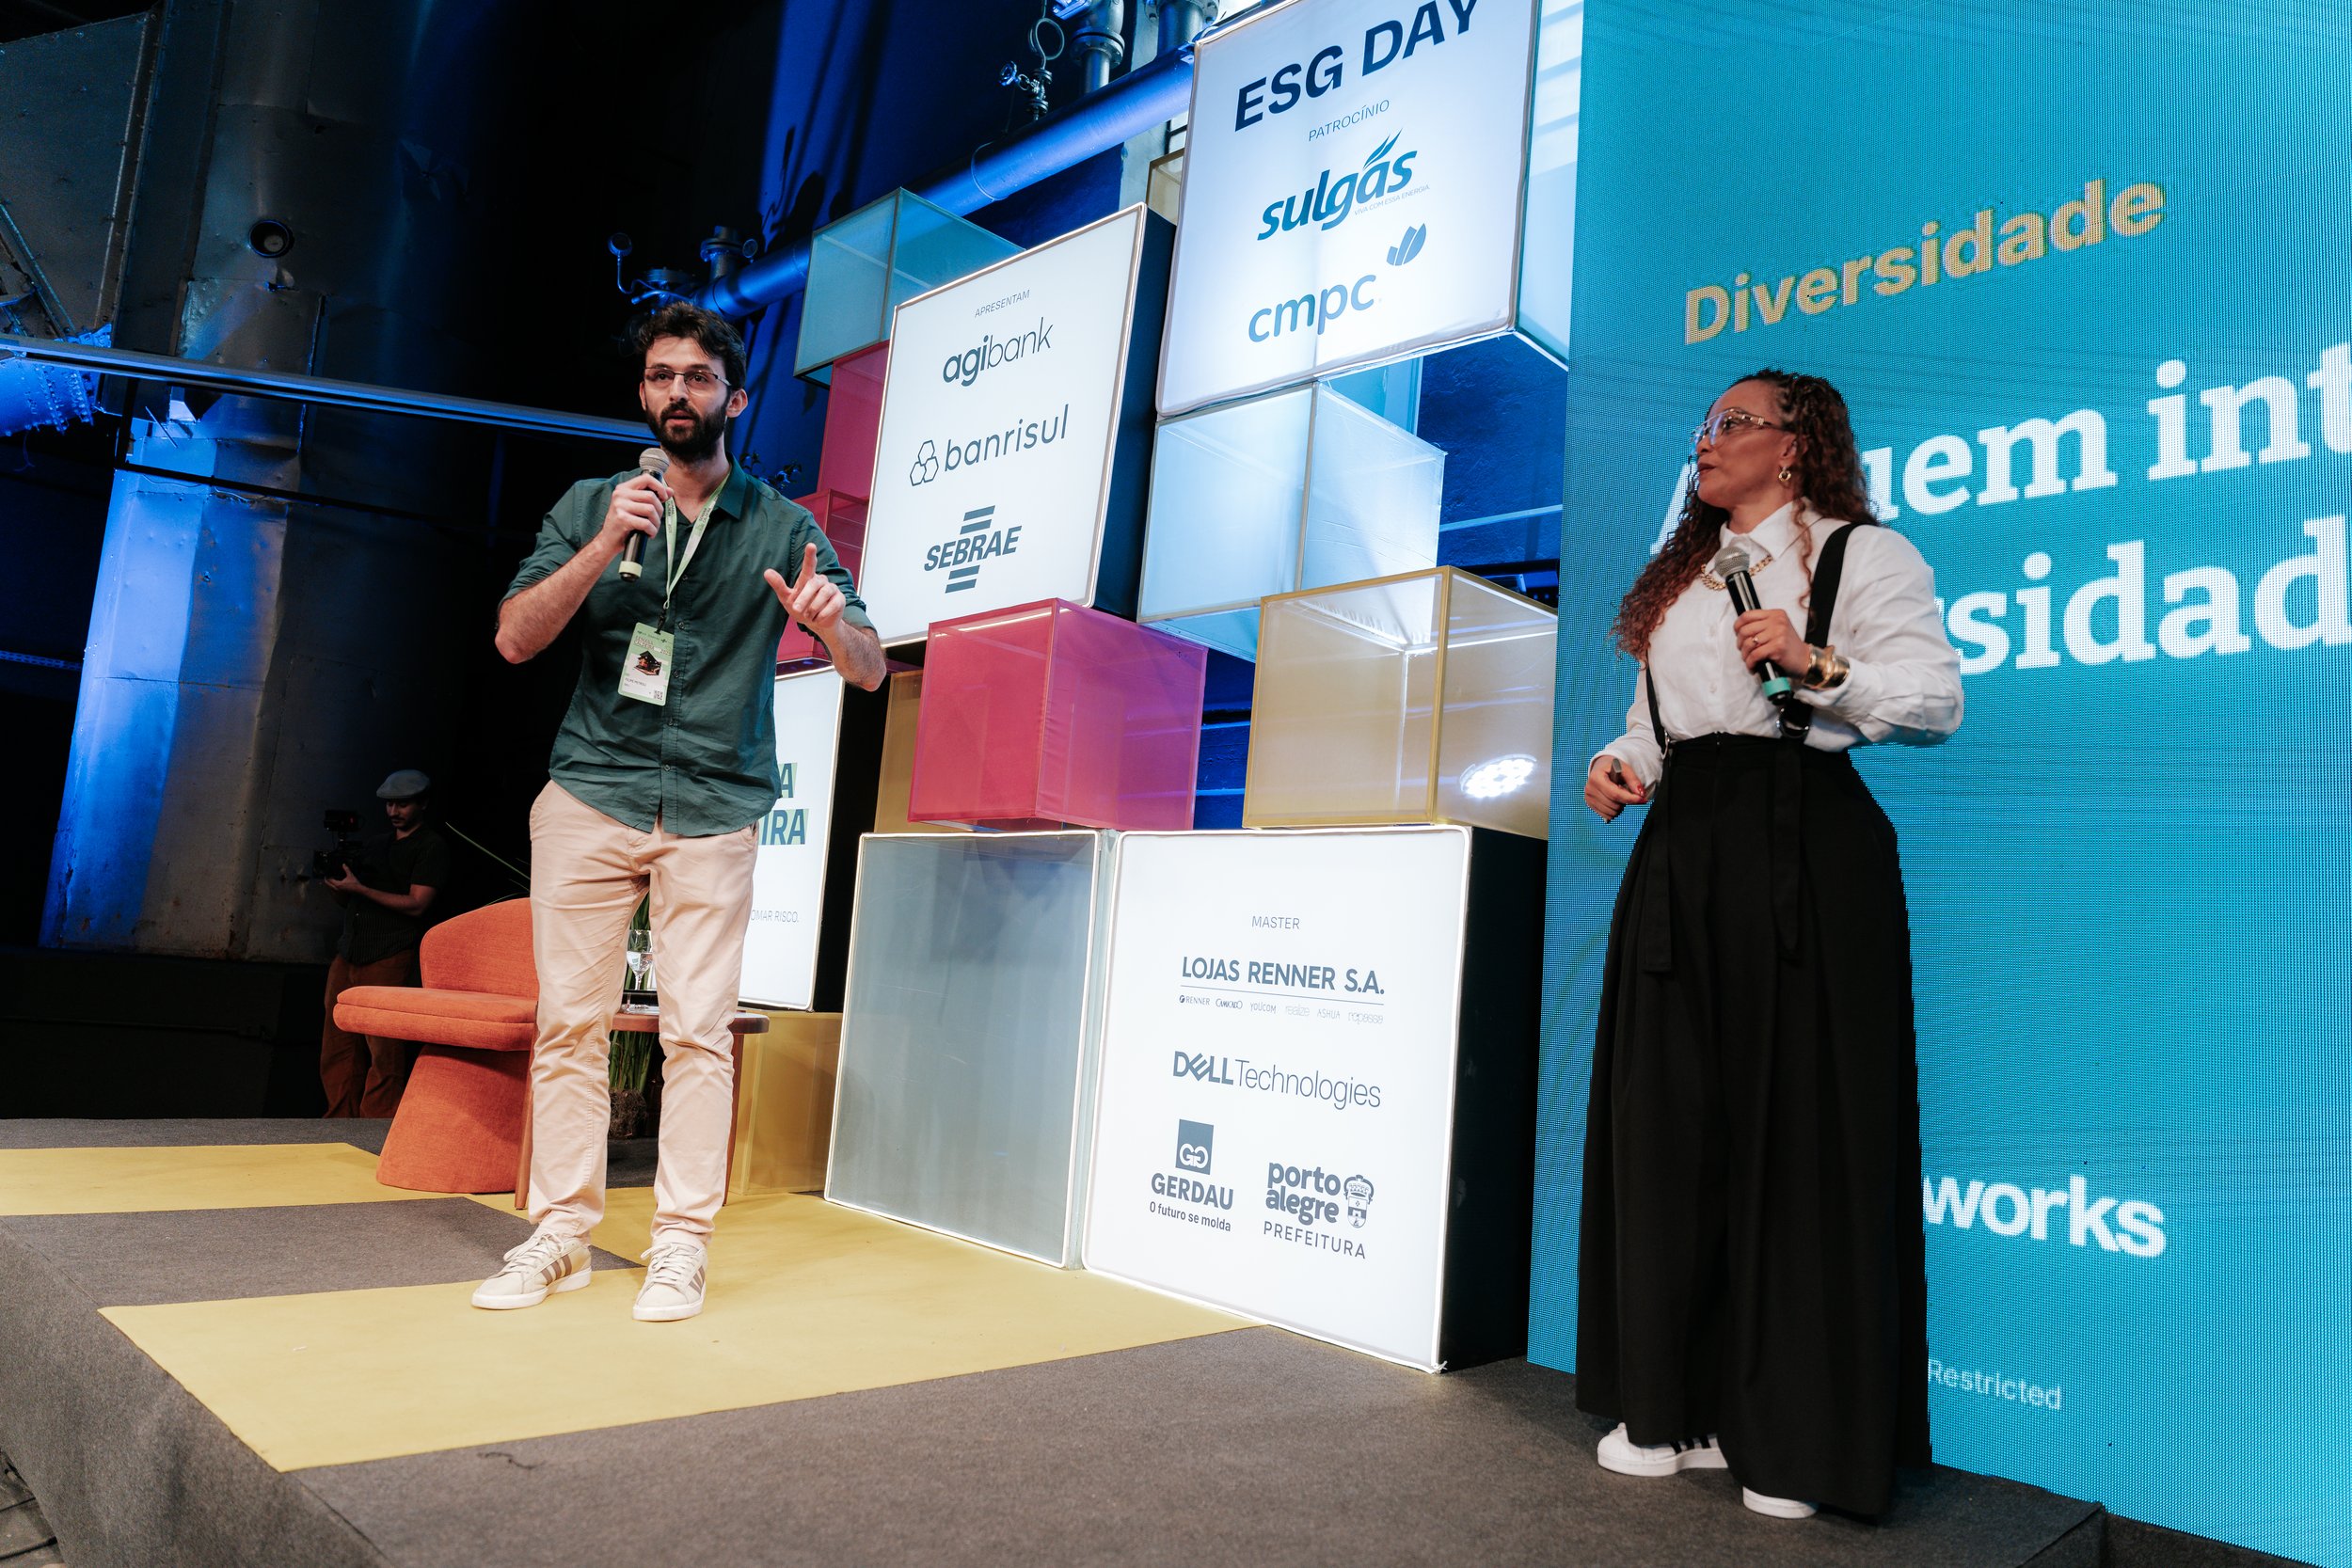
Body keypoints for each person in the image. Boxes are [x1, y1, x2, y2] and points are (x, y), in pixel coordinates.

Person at [1576, 369, 1963, 1519]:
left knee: (1796, 1130)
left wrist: (1814, 662)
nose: (1708, 439)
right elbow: (1655, 723)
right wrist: (1622, 763)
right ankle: (1674, 1408)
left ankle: (1789, 1438)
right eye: (1704, 424)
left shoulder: (1863, 555)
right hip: (1682, 849)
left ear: (1795, 445)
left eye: (1734, 422)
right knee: (1669, 1120)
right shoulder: (1682, 573)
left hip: (1806, 849)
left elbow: (1935, 702)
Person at [473, 302, 885, 1322]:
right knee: (569, 1025)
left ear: (734, 399)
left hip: (710, 802)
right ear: (643, 393)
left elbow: (871, 669)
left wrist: (832, 627)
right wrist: (604, 541)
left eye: (698, 378)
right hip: (591, 790)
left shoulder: (783, 527)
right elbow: (514, 639)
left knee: (697, 1034)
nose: (677, 393)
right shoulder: (592, 504)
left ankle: (680, 1245)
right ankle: (560, 1234)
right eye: (662, 376)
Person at [319, 768, 451, 1117]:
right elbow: (351, 900)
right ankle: (338, 1121)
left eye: (402, 804)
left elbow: (418, 903)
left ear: (422, 804)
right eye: (390, 804)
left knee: (383, 1047)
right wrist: (338, 887)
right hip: (350, 950)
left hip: (389, 952)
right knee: (338, 1044)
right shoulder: (375, 844)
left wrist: (360, 890)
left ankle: (375, 1126)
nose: (394, 811)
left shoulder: (430, 846)